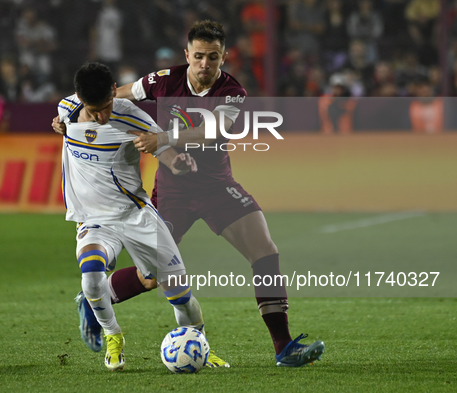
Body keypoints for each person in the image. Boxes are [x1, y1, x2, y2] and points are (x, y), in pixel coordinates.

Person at [53, 20, 325, 368]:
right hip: (172, 193)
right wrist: (72, 115)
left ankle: (284, 347)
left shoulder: (233, 92)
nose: (205, 65)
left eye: (213, 57)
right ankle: (94, 296)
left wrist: (163, 139)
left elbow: (215, 131)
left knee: (265, 252)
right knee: (152, 277)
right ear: (187, 55)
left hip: (217, 186)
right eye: (198, 56)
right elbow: (113, 95)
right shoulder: (163, 79)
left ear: (224, 57)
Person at [60, 61, 227, 371]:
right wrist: (58, 125)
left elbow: (162, 149)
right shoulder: (67, 109)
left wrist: (178, 162)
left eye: (107, 106)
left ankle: (201, 348)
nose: (102, 115)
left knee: (179, 292)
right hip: (94, 219)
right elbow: (62, 119)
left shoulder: (131, 116)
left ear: (114, 91)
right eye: (95, 110)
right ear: (81, 100)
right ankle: (113, 335)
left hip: (136, 215)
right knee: (91, 273)